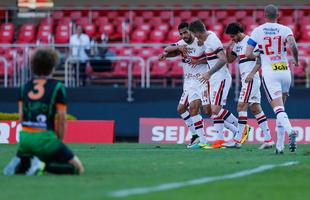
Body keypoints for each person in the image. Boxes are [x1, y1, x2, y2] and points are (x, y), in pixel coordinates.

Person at [3, 48, 84, 176]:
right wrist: (58, 141)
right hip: (45, 139)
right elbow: (62, 119)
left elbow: (21, 117)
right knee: (78, 169)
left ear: (33, 66)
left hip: (24, 140)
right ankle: (42, 166)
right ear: (52, 66)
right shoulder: (58, 87)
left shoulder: (24, 87)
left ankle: (21, 162)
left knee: (29, 157)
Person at [189, 20, 251, 149]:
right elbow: (212, 57)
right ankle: (219, 141)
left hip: (220, 77)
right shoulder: (207, 37)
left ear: (197, 32)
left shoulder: (212, 40)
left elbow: (223, 59)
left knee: (215, 110)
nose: (195, 37)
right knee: (214, 111)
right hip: (214, 78)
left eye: (194, 34)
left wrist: (209, 73)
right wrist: (199, 61)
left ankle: (242, 129)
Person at [245, 5, 299, 154]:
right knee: (282, 110)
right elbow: (293, 45)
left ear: (264, 15)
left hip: (270, 73)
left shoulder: (257, 31)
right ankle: (280, 146)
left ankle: (291, 131)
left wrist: (259, 54)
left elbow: (247, 53)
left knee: (278, 109)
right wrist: (296, 59)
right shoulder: (285, 29)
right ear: (278, 15)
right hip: (284, 71)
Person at [223, 22, 275, 149]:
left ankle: (238, 139)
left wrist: (252, 74)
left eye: (232, 36)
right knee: (255, 109)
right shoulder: (236, 45)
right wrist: (228, 49)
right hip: (246, 79)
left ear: (238, 33)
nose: (232, 39)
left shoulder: (251, 42)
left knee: (241, 106)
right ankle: (269, 139)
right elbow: (230, 60)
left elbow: (260, 59)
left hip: (251, 79)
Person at [159, 22, 210, 148]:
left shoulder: (200, 42)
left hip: (201, 80)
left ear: (191, 31)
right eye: (181, 33)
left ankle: (236, 127)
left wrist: (198, 61)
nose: (183, 35)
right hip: (188, 82)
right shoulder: (182, 43)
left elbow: (212, 58)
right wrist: (172, 51)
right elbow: (167, 49)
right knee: (182, 109)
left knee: (208, 111)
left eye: (185, 32)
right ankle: (197, 137)